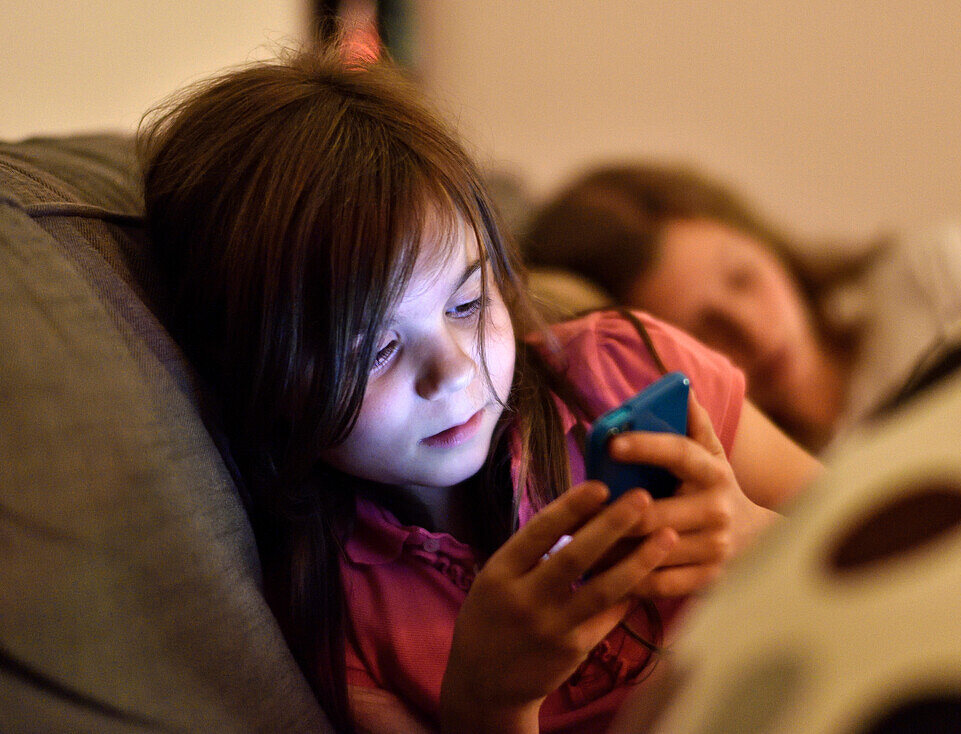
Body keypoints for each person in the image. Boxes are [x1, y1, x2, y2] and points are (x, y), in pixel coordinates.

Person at [139, 49, 820, 734]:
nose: (455, 371)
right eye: (375, 348)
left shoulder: (629, 367)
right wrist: (489, 702)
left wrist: (759, 535)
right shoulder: (332, 610)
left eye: (466, 304)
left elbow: (880, 527)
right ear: (263, 375)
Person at [523, 163, 961, 452]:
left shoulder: (931, 276)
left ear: (763, 240)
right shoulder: (752, 498)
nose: (750, 328)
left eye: (744, 277)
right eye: (703, 332)